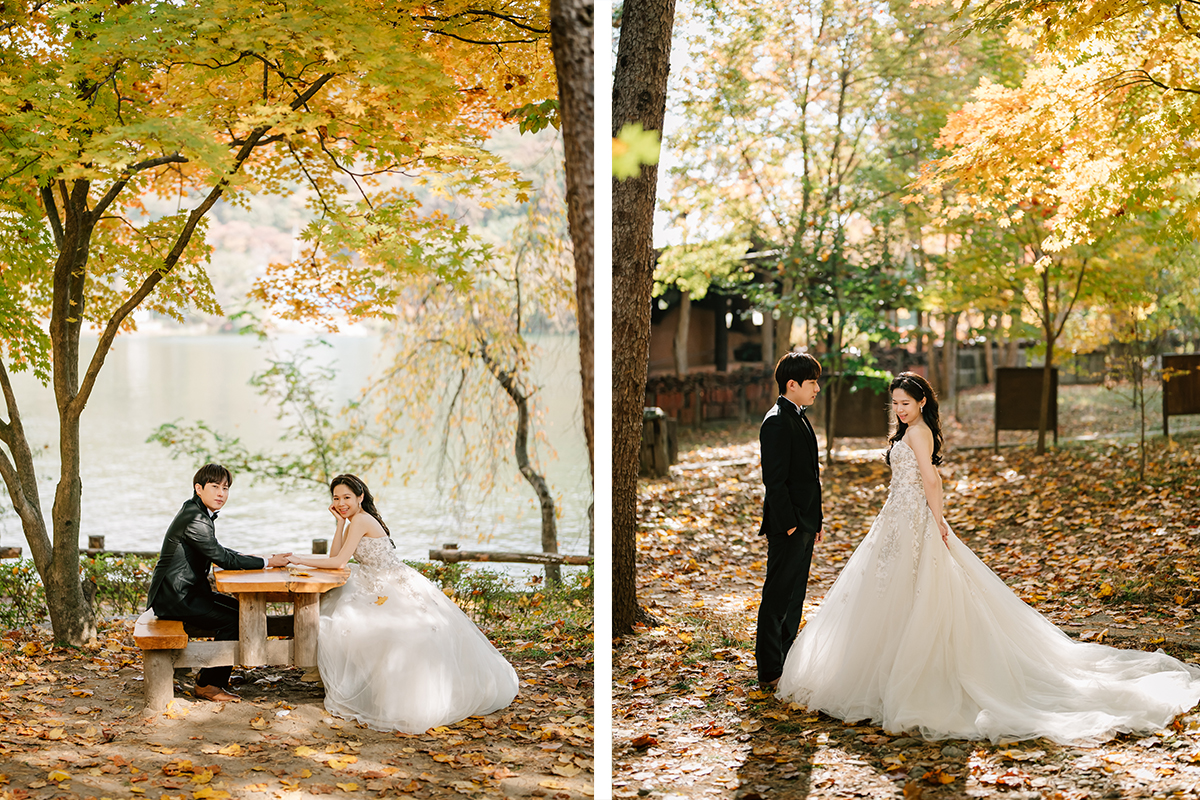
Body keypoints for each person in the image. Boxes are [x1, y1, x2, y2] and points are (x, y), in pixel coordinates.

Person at [776, 372, 1200, 744]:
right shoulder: (906, 432)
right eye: (896, 405)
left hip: (917, 520)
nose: (901, 410)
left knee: (922, 591)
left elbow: (931, 479)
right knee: (886, 591)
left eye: (906, 403)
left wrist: (937, 521)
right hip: (893, 521)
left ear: (922, 402)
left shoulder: (920, 432)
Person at [285, 474, 519, 733]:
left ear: (360, 497)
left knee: (360, 624)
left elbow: (338, 563)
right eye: (336, 498)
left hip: (388, 582)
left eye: (347, 498)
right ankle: (349, 681)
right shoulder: (353, 521)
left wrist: (296, 559)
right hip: (372, 579)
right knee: (338, 612)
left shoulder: (362, 519)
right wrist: (339, 524)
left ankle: (376, 691)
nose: (341, 503)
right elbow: (336, 556)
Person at [145, 463, 292, 702]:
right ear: (199, 488)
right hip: (176, 598)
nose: (221, 493)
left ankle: (215, 670)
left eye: (225, 488)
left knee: (242, 611)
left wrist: (256, 559)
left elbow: (217, 550)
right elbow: (222, 558)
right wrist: (266, 561)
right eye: (215, 487)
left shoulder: (195, 511)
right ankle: (208, 684)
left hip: (187, 593)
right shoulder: (195, 518)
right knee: (236, 620)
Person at [756, 352, 824, 689]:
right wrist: (792, 524)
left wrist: (816, 521)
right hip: (788, 525)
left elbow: (810, 476)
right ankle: (770, 669)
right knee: (777, 596)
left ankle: (786, 661)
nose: (817, 389)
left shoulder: (799, 416)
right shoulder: (777, 420)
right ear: (792, 384)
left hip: (806, 523)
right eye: (812, 383)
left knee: (795, 595)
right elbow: (775, 480)